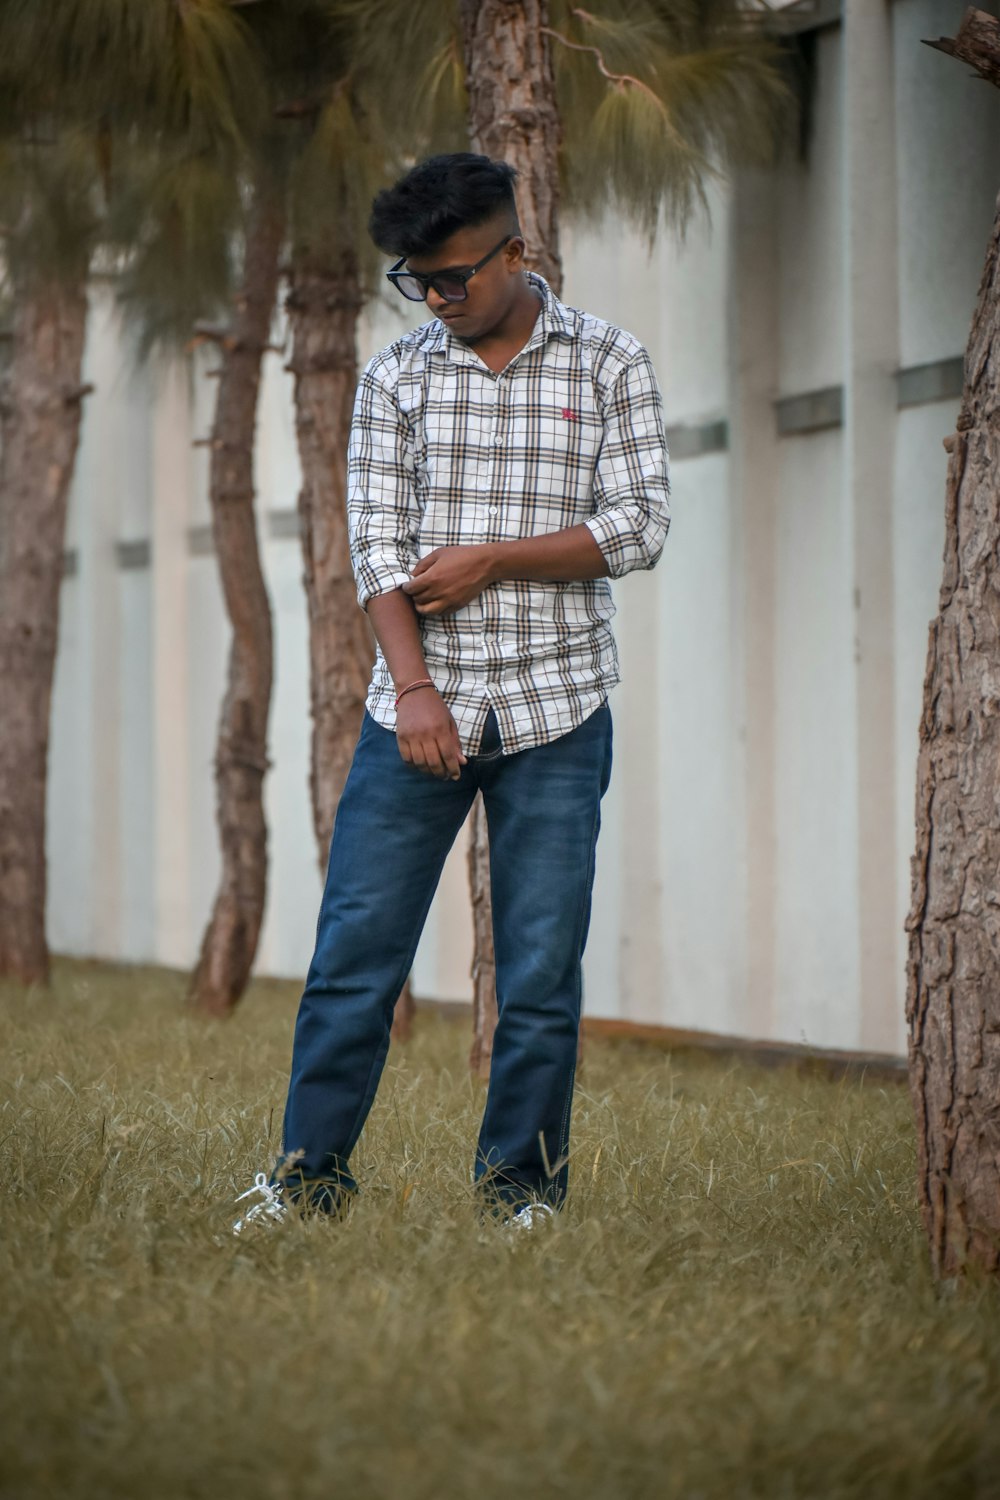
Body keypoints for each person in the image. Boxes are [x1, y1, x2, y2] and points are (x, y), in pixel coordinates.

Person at [234, 152, 670, 1233]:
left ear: (516, 253)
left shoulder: (610, 363)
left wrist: (491, 560)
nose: (435, 298)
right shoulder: (396, 379)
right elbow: (378, 551)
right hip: (412, 718)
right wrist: (415, 688)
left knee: (537, 972)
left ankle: (521, 1199)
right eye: (417, 281)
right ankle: (303, 1185)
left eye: (454, 278)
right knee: (352, 965)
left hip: (559, 713)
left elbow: (638, 528)